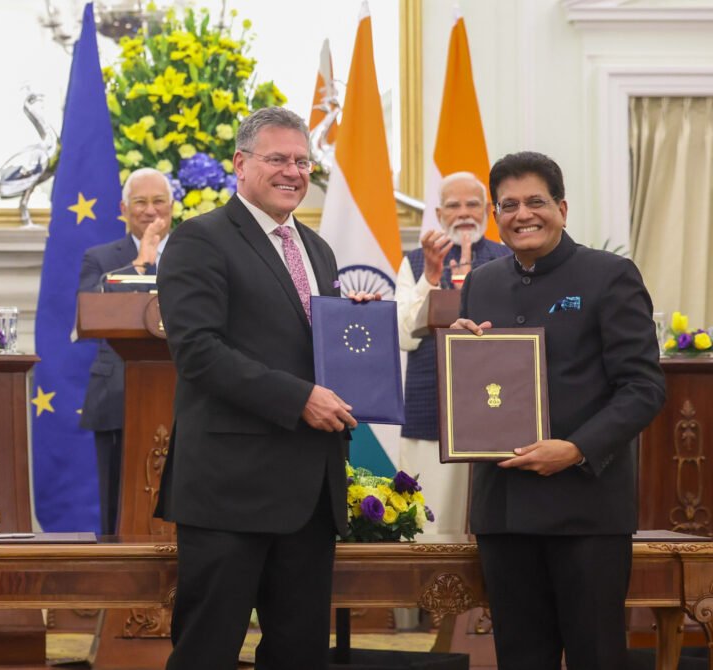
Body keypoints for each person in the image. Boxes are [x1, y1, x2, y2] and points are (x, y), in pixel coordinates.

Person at [157, 107, 373, 670]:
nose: (293, 172)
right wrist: (298, 398)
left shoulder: (318, 250)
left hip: (309, 495)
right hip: (231, 491)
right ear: (241, 164)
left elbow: (309, 345)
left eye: (302, 161)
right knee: (207, 650)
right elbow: (199, 353)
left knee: (300, 654)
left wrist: (357, 332)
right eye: (277, 158)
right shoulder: (198, 240)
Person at [452, 152, 665, 670]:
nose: (522, 214)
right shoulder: (482, 283)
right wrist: (461, 356)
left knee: (596, 655)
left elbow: (643, 388)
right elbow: (481, 390)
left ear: (562, 208)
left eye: (535, 202)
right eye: (508, 205)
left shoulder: (610, 276)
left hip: (585, 509)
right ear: (495, 217)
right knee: (520, 658)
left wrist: (575, 450)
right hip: (504, 511)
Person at [395, 172, 510, 535]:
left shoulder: (509, 257)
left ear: (488, 211)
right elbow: (403, 335)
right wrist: (431, 275)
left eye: (473, 204)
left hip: (494, 406)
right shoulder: (415, 262)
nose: (464, 213)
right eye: (454, 205)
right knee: (430, 521)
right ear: (440, 213)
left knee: (487, 520)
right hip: (431, 405)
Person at [78, 167, 171, 535]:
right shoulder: (99, 257)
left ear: (172, 206)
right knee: (115, 502)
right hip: (116, 392)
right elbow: (90, 306)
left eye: (159, 201)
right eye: (140, 202)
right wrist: (141, 264)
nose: (150, 211)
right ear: (123, 208)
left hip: (181, 391)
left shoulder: (191, 253)